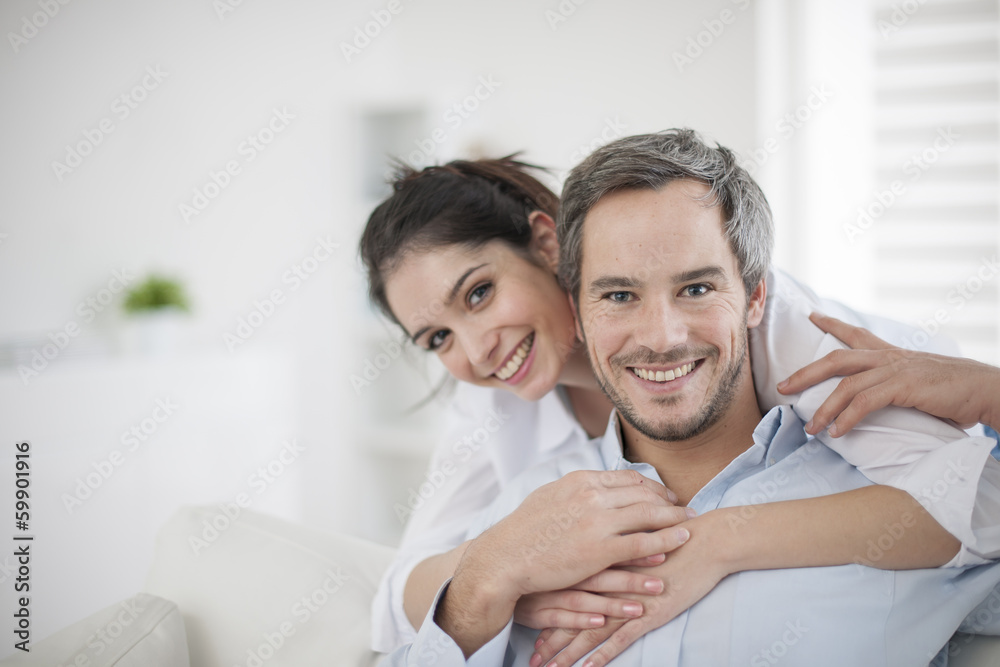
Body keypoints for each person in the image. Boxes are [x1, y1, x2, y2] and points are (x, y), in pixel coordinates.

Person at [380, 129, 1000, 666]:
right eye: (618, 296)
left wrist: (719, 539)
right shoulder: (515, 473)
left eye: (697, 288)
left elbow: (981, 506)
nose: (660, 336)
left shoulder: (815, 359)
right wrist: (489, 579)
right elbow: (396, 596)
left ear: (755, 296)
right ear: (578, 301)